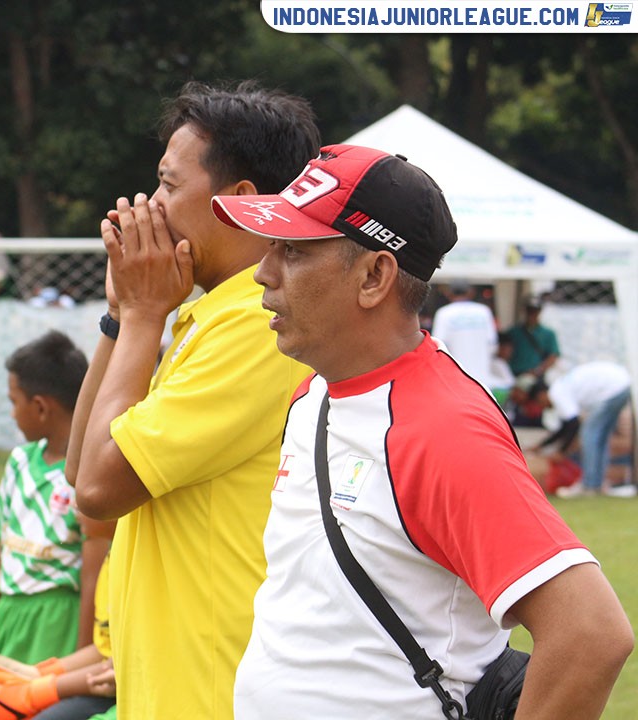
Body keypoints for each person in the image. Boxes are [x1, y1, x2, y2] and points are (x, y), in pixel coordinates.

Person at [211, 143, 633, 718]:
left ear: (374, 276)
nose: (263, 273)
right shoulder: (313, 394)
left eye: (293, 251)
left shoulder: (441, 427)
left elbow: (591, 634)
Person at [66, 80, 320, 719]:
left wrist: (146, 312)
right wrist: (122, 316)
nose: (150, 206)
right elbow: (79, 471)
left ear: (239, 202)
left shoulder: (261, 326)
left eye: (169, 186)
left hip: (214, 689)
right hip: (172, 684)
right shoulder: (209, 315)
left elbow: (99, 486)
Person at [0, 330, 91, 687]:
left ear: (39, 406)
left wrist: (79, 662)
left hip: (57, 620)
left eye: (13, 401)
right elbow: (1, 551)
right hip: (8, 615)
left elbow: (92, 574)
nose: (12, 413)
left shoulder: (87, 477)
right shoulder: (19, 462)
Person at [0, 516, 118, 720]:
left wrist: (32, 693)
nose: (74, 506)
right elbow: (106, 651)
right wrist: (37, 674)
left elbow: (120, 670)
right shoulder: (114, 562)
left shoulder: (138, 568)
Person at [519, 362, 634, 498]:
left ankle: (590, 485)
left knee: (589, 435)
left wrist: (562, 451)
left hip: (612, 388)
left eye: (539, 403)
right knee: (600, 438)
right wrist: (542, 445)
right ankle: (598, 483)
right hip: (622, 384)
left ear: (541, 395)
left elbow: (573, 424)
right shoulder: (561, 389)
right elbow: (564, 427)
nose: (542, 407)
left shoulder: (557, 393)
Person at [430, 279, 498, 388]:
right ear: (471, 292)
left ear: (449, 294)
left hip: (455, 382)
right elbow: (493, 345)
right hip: (483, 381)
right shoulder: (484, 312)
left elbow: (438, 347)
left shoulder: (444, 313)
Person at [503, 295, 560, 378]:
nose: (532, 314)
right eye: (529, 310)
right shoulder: (513, 332)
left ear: (539, 312)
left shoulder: (548, 333)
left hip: (535, 376)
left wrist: (538, 371)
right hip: (513, 374)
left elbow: (553, 356)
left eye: (534, 311)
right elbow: (504, 353)